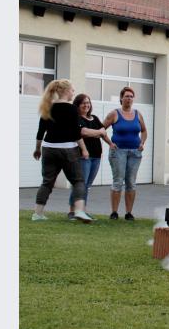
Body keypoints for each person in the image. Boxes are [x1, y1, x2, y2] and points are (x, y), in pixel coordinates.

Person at [32, 79, 93, 222]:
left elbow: (41, 132)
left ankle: (37, 214)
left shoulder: (47, 107)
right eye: (72, 90)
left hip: (48, 149)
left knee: (47, 182)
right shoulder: (72, 109)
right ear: (66, 91)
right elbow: (76, 133)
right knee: (78, 181)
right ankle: (79, 211)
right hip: (67, 149)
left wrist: (37, 149)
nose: (73, 93)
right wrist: (84, 149)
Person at [103, 87, 148, 220]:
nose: (129, 98)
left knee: (131, 183)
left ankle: (129, 213)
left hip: (135, 153)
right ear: (121, 98)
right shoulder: (114, 114)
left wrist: (142, 143)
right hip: (118, 152)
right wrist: (110, 143)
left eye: (131, 96)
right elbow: (101, 129)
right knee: (118, 181)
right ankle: (114, 212)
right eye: (127, 96)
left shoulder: (138, 114)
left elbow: (144, 131)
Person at [70, 93, 114, 219]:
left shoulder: (94, 118)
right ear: (77, 105)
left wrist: (110, 143)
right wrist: (98, 132)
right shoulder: (76, 118)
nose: (86, 105)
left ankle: (82, 211)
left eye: (88, 102)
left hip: (96, 156)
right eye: (83, 103)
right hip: (83, 156)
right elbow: (82, 132)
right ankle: (73, 211)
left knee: (87, 185)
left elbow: (103, 133)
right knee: (80, 184)